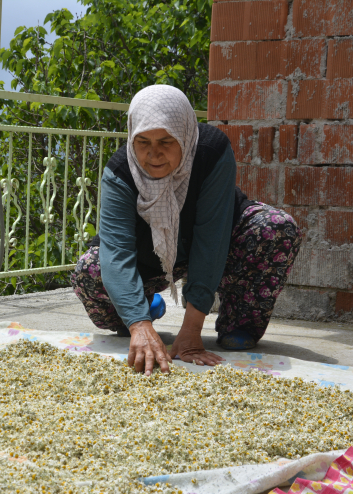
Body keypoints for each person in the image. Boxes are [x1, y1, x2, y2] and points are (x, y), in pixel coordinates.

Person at [71, 85, 302, 376]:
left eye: (166, 142)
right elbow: (115, 254)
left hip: (210, 242)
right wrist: (138, 323)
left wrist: (192, 330)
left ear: (184, 135)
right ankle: (143, 307)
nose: (153, 154)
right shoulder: (118, 173)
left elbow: (212, 238)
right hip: (148, 255)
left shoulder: (210, 152)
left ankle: (238, 321)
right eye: (142, 142)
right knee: (89, 271)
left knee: (275, 228)